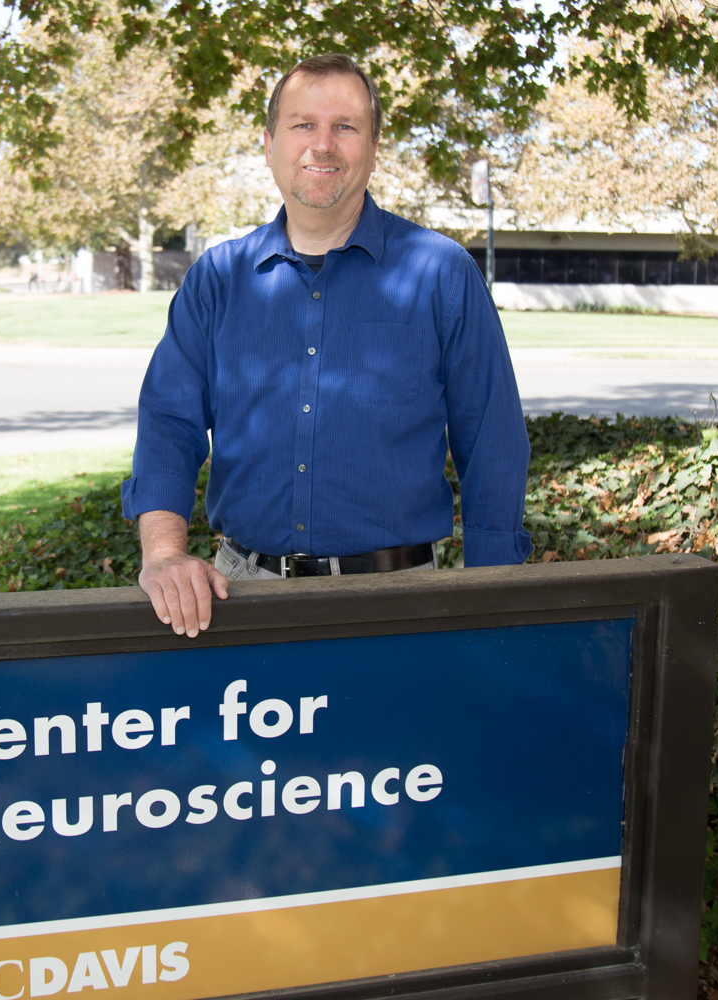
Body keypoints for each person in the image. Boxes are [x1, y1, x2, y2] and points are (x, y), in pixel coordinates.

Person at [120, 53, 532, 639]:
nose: (323, 144)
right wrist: (162, 553)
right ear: (270, 144)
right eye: (302, 125)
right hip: (240, 599)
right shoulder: (218, 279)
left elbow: (492, 445)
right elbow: (168, 421)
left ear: (372, 145)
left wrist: (495, 605)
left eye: (345, 126)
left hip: (398, 605)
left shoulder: (442, 273)